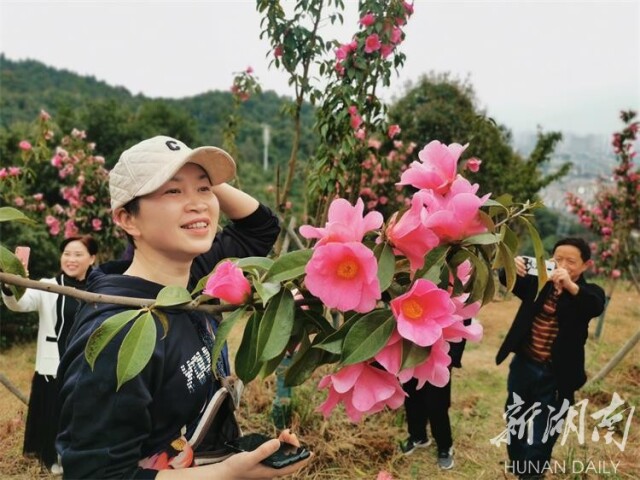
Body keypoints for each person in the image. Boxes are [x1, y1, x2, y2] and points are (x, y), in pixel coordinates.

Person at [56, 136, 312, 479]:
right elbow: (95, 475)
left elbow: (261, 226)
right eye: (172, 191)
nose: (198, 204)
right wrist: (226, 474)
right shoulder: (118, 334)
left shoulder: (192, 277)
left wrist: (195, 179)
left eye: (204, 188)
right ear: (128, 220)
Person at [496, 237, 606, 480]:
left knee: (544, 431)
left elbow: (595, 305)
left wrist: (570, 286)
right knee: (515, 417)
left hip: (557, 375)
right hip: (524, 364)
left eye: (571, 261)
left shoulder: (588, 293)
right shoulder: (539, 282)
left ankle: (532, 474)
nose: (563, 265)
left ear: (586, 265)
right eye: (558, 259)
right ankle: (518, 462)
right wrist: (511, 266)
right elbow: (507, 279)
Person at [1, 235, 98, 475]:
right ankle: (53, 456)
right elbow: (19, 304)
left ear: (92, 258)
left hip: (87, 363)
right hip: (54, 365)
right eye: (67, 254)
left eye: (78, 254)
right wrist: (10, 285)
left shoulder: (100, 289)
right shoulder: (47, 285)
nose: (71, 259)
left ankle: (78, 455)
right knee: (53, 412)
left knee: (83, 413)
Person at [399, 319, 472, 470]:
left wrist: (452, 358)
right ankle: (418, 435)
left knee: (436, 404)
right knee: (412, 396)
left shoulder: (458, 295)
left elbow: (462, 321)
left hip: (441, 354)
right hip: (413, 350)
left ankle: (444, 446)